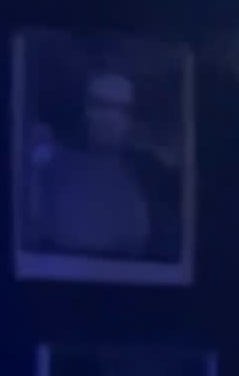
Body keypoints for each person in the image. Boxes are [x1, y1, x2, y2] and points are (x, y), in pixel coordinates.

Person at [25, 54, 180, 263]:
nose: (109, 118)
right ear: (84, 110)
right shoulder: (51, 168)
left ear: (131, 118)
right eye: (99, 105)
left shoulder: (152, 172)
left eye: (121, 109)